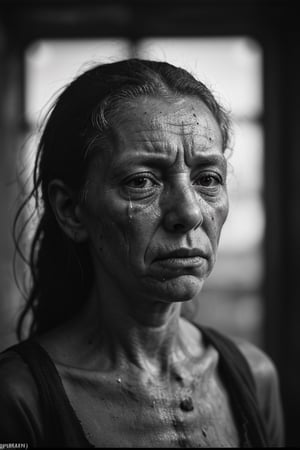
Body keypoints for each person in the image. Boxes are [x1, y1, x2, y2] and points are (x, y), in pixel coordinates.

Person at [0, 58, 284, 448]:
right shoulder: (19, 398)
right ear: (70, 210)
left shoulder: (253, 376)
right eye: (142, 181)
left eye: (207, 179)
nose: (188, 212)